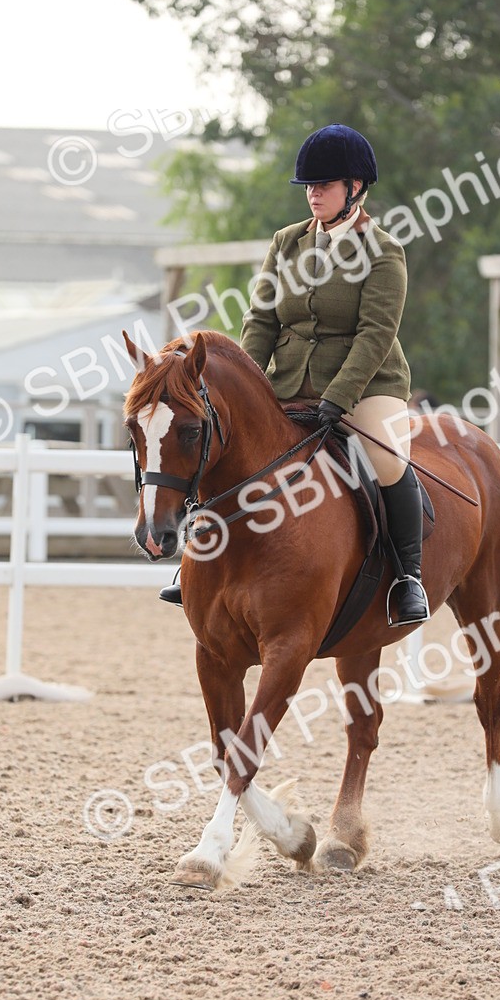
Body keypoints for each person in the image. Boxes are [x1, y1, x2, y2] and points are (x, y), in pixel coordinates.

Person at [161, 123, 429, 626]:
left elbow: (375, 334)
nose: (313, 195)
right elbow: (261, 320)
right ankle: (197, 564)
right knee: (224, 449)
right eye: (309, 186)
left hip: (367, 385)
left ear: (355, 188)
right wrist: (243, 385)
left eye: (324, 186)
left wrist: (340, 396)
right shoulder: (286, 243)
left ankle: (407, 577)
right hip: (285, 383)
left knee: (387, 459)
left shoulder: (384, 251)